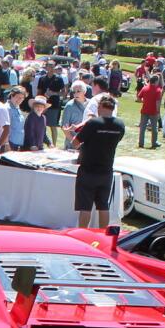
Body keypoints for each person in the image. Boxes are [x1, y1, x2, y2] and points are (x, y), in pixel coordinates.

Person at [72, 95, 124, 229]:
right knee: (103, 205)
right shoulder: (120, 125)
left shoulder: (93, 123)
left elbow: (75, 143)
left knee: (85, 207)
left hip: (88, 170)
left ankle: (83, 233)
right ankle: (102, 234)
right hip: (106, 170)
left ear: (100, 106)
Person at [137, 73, 163, 149]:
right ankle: (154, 143)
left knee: (142, 128)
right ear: (155, 81)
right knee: (154, 128)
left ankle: (141, 143)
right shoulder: (158, 90)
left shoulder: (144, 88)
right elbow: (157, 102)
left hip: (144, 110)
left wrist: (144, 101)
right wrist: (158, 112)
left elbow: (139, 98)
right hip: (153, 112)